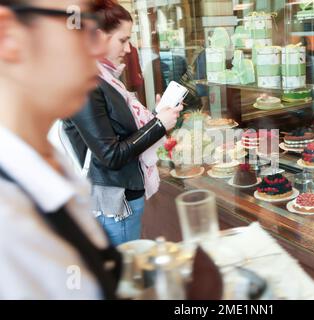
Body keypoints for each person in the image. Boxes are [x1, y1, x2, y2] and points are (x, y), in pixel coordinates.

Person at [0, 0, 123, 299]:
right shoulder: (7, 218)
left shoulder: (46, 165)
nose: (98, 48)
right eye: (79, 24)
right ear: (8, 36)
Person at [63, 0, 182, 246]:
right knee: (125, 274)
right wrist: (158, 124)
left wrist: (157, 115)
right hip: (116, 204)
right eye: (122, 40)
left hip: (124, 197)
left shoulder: (104, 79)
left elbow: (118, 130)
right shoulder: (85, 83)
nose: (128, 49)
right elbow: (111, 154)